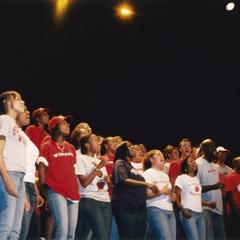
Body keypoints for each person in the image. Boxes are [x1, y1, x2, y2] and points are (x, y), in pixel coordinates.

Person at [38, 115, 80, 239]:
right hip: (55, 191)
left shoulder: (71, 148)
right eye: (64, 124)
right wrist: (44, 192)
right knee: (62, 229)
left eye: (68, 124)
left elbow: (74, 171)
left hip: (72, 192)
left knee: (71, 234)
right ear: (55, 128)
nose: (68, 126)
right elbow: (41, 169)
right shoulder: (47, 146)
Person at [111, 142, 158, 240]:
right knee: (128, 236)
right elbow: (124, 179)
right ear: (123, 150)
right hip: (126, 206)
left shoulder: (130, 166)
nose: (132, 148)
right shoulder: (120, 162)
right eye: (129, 147)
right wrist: (146, 184)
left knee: (139, 236)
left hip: (138, 207)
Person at [0, 90, 27, 239]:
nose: (22, 103)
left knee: (15, 230)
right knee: (6, 226)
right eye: (18, 100)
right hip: (9, 173)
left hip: (20, 177)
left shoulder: (17, 128)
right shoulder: (4, 119)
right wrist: (6, 177)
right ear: (8, 102)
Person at [75, 134, 112, 240]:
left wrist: (108, 181)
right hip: (90, 199)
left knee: (98, 236)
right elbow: (84, 183)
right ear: (87, 145)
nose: (99, 143)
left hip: (105, 200)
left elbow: (103, 184)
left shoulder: (99, 160)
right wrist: (99, 166)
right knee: (101, 236)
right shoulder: (80, 159)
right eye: (95, 140)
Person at [17, 108, 44, 240]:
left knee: (23, 231)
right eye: (25, 111)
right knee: (17, 231)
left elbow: (29, 168)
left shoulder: (23, 134)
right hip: (20, 184)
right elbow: (16, 164)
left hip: (30, 185)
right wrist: (22, 191)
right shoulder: (13, 133)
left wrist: (36, 192)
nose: (28, 113)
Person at [196, 139, 226, 240]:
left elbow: (217, 188)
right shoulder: (198, 164)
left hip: (218, 208)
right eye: (210, 147)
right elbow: (194, 188)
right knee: (209, 237)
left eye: (213, 146)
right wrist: (213, 186)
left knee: (221, 237)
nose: (213, 149)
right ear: (203, 149)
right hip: (205, 207)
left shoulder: (215, 166)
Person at [143, 149, 176, 240]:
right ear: (151, 159)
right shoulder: (147, 173)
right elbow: (146, 195)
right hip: (156, 209)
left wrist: (172, 196)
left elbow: (168, 192)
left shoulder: (165, 175)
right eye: (158, 154)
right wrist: (161, 192)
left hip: (170, 209)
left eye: (162, 154)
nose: (162, 156)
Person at [174, 157, 206, 240]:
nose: (194, 163)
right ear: (185, 166)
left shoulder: (197, 179)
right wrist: (183, 210)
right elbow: (175, 195)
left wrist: (207, 203)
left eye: (194, 161)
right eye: (191, 161)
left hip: (200, 213)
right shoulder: (181, 178)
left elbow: (195, 197)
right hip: (188, 212)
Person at [224, 156, 240, 239]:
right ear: (235, 164)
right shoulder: (230, 177)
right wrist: (237, 213)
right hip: (235, 212)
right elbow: (229, 196)